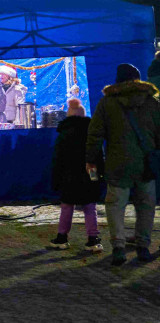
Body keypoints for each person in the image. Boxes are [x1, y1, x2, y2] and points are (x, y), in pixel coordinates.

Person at [86, 63, 160, 266]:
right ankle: (143, 246)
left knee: (115, 206)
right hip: (146, 165)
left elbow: (95, 135)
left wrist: (92, 161)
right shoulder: (152, 102)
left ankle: (119, 247)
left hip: (118, 164)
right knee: (146, 206)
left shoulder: (107, 103)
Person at [49, 98, 103, 252]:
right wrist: (98, 177)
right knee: (89, 206)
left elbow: (58, 160)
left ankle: (62, 238)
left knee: (66, 206)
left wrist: (56, 180)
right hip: (88, 174)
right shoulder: (91, 132)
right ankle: (93, 240)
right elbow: (97, 155)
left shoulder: (64, 134)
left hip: (68, 177)